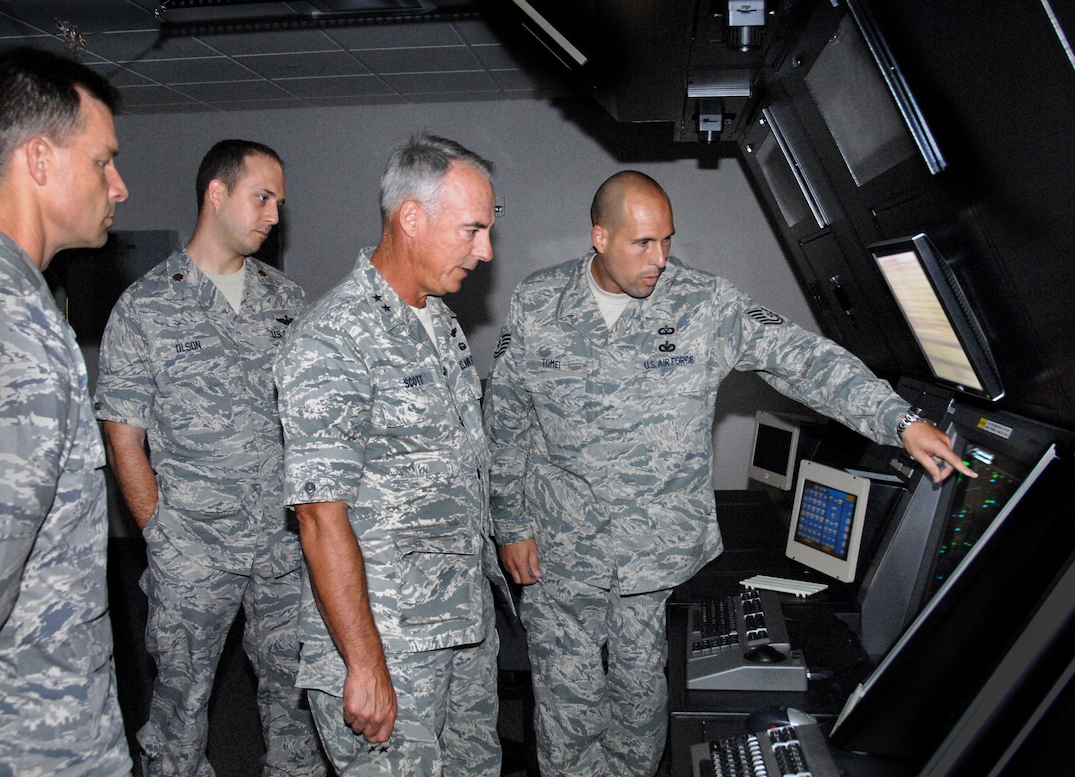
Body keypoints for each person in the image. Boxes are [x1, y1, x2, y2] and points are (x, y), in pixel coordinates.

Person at [483, 170, 975, 777]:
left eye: (667, 240)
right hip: (560, 547)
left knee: (640, 697)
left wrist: (899, 421)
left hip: (651, 551)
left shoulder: (705, 304)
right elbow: (505, 419)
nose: (660, 258)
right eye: (642, 243)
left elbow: (802, 358)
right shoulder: (538, 302)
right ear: (600, 237)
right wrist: (510, 524)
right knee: (567, 701)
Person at [274, 133, 507, 776]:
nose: (484, 252)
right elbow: (321, 518)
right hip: (390, 643)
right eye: (471, 231)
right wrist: (365, 664)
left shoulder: (439, 321)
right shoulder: (333, 341)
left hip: (458, 624)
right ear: (411, 218)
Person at [94, 139, 326, 776]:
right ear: (216, 194)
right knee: (181, 706)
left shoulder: (287, 301)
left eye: (280, 200)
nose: (275, 214)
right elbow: (123, 437)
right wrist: (160, 535)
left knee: (297, 700)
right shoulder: (146, 307)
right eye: (262, 196)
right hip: (192, 549)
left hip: (282, 547)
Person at [0, 46, 132, 775]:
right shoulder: (9, 322)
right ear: (38, 160)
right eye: (103, 161)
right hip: (29, 734)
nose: (120, 185)